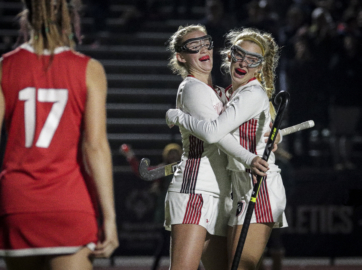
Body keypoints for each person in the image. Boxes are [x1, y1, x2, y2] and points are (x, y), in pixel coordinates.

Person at [0, 0, 119, 269]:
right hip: (69, 204)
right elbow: (94, 147)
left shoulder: (1, 68)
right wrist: (109, 218)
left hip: (17, 204)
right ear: (70, 19)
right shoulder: (89, 69)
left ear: (26, 19)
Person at [166, 27, 287, 270]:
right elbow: (215, 132)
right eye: (193, 45)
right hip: (198, 187)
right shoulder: (196, 88)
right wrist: (253, 153)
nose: (202, 49)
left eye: (205, 42)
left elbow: (218, 130)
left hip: (240, 188)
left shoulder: (230, 93)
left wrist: (177, 116)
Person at [119, 143, 182, 270]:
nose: (173, 155)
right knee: (167, 242)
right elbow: (142, 171)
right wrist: (130, 156)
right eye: (170, 153)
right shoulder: (166, 169)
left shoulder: (185, 168)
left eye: (175, 152)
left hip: (183, 211)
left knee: (183, 242)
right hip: (168, 212)